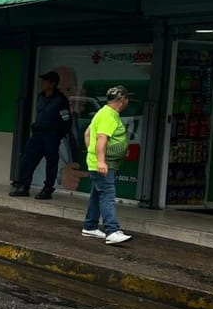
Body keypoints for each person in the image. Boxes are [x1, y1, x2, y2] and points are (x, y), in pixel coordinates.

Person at [81, 85, 132, 246]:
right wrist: (101, 160)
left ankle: (90, 226)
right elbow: (102, 138)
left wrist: (92, 153)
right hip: (104, 164)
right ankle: (112, 230)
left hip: (99, 162)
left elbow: (87, 134)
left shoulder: (103, 112)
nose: (128, 101)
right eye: (127, 98)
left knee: (97, 195)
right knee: (107, 195)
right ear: (122, 100)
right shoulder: (109, 116)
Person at [10, 70, 73, 199]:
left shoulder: (61, 100)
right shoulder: (41, 96)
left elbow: (66, 120)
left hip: (51, 136)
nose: (42, 84)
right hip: (38, 134)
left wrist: (57, 135)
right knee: (28, 160)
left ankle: (48, 189)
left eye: (45, 81)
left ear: (52, 84)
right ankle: (24, 186)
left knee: (51, 164)